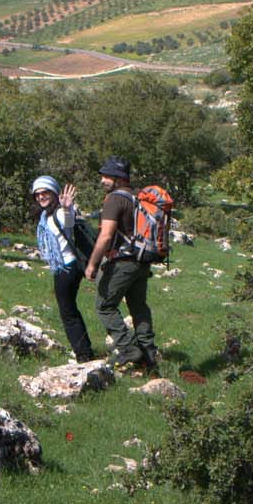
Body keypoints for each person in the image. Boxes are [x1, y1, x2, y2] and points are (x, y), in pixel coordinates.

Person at [82, 157, 159, 370]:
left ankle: (128, 349)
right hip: (142, 261)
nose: (103, 180)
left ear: (119, 178)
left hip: (122, 261)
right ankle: (149, 353)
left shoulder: (114, 199)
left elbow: (106, 236)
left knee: (104, 306)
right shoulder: (138, 198)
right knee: (138, 306)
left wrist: (92, 264)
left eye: (107, 176)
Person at [32, 175, 96, 362]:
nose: (41, 197)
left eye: (45, 193)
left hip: (67, 267)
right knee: (70, 311)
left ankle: (83, 355)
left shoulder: (60, 212)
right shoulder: (46, 215)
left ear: (54, 193)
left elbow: (68, 224)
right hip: (64, 267)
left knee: (68, 314)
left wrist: (68, 208)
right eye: (37, 194)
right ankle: (85, 350)